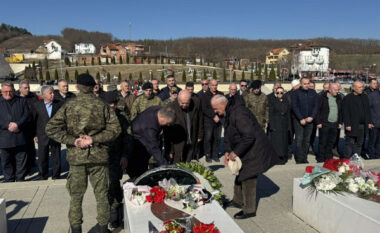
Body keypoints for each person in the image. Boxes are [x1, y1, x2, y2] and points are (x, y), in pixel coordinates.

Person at [46, 74, 121, 233]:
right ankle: (102, 228)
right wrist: (93, 139)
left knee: (76, 197)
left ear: (78, 87)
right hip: (99, 157)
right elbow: (115, 129)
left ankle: (76, 229)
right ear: (93, 86)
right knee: (101, 195)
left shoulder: (69, 105)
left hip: (77, 157)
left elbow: (51, 128)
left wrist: (73, 140)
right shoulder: (103, 105)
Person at [211, 95, 278, 219]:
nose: (215, 111)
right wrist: (227, 151)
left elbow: (249, 137)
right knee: (239, 174)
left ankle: (249, 209)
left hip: (254, 149)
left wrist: (235, 152)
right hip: (244, 147)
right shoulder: (228, 112)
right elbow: (228, 134)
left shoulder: (239, 113)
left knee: (248, 177)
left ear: (222, 104)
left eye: (215, 108)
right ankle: (237, 200)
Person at [103, 91, 129, 229]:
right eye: (109, 103)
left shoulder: (122, 117)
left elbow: (127, 138)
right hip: (101, 159)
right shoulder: (98, 116)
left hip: (116, 158)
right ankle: (111, 216)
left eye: (114, 103)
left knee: (113, 185)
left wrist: (125, 155)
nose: (112, 106)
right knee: (105, 189)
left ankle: (116, 214)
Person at [128, 106, 176, 178]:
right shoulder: (150, 128)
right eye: (167, 123)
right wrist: (165, 166)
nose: (168, 125)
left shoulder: (158, 109)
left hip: (142, 136)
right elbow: (154, 148)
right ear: (162, 117)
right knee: (139, 172)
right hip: (137, 144)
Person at [0, 82, 29, 182]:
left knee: (21, 160)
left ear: (14, 91)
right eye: (5, 91)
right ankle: (9, 180)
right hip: (4, 138)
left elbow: (27, 115)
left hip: (19, 135)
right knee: (6, 161)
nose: (8, 93)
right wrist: (7, 125)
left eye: (10, 91)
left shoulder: (22, 101)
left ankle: (20, 179)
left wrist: (17, 124)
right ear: (1, 91)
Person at [32, 86, 63, 180]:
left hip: (55, 134)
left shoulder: (59, 104)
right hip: (42, 135)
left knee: (56, 156)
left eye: (53, 93)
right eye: (50, 93)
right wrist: (34, 135)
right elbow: (33, 121)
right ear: (44, 94)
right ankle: (43, 175)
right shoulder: (37, 105)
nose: (53, 95)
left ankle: (56, 175)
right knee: (42, 157)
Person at [164, 90, 203, 162]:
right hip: (177, 141)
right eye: (182, 103)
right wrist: (169, 150)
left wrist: (200, 135)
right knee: (177, 163)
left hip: (191, 138)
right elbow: (167, 131)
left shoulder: (196, 103)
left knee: (188, 162)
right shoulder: (171, 107)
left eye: (187, 103)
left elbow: (200, 119)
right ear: (178, 99)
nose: (184, 105)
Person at [291, 77, 319, 163]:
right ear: (301, 84)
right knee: (299, 140)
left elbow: (316, 106)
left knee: (307, 140)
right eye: (305, 84)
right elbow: (294, 107)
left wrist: (312, 117)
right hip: (299, 121)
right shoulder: (296, 93)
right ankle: (299, 159)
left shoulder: (313, 92)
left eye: (308, 83)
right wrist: (301, 118)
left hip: (310, 120)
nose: (307, 85)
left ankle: (304, 157)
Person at [342, 81, 373, 158]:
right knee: (350, 143)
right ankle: (347, 158)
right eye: (359, 87)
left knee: (359, 143)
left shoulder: (364, 97)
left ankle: (356, 158)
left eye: (362, 87)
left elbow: (367, 111)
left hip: (362, 125)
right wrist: (347, 124)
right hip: (352, 125)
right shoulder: (348, 98)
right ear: (354, 88)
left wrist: (369, 122)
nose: (361, 89)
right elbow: (345, 113)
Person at [315, 83, 343, 162]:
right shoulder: (322, 97)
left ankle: (329, 158)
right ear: (329, 89)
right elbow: (317, 110)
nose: (337, 91)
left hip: (335, 124)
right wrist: (318, 122)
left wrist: (340, 122)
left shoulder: (339, 97)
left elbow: (340, 111)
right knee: (323, 142)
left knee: (331, 142)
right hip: (324, 123)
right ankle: (321, 158)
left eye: (337, 90)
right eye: (335, 90)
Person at [16, 80, 39, 173]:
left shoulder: (33, 97)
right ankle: (22, 167)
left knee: (30, 148)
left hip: (31, 126)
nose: (27, 90)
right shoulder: (15, 97)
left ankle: (30, 165)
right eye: (25, 88)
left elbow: (37, 112)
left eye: (28, 87)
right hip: (19, 127)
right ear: (20, 88)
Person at [201, 79, 224, 162]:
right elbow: (204, 109)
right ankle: (208, 155)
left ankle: (215, 155)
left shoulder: (221, 94)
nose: (214, 87)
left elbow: (223, 105)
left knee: (217, 138)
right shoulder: (205, 95)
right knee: (208, 138)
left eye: (216, 85)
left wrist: (218, 113)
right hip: (209, 121)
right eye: (213, 85)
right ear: (209, 85)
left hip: (219, 120)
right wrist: (213, 115)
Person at [268, 87, 291, 164]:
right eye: (278, 92)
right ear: (275, 93)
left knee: (284, 142)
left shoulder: (286, 101)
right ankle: (277, 158)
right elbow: (270, 114)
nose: (279, 94)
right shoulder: (273, 101)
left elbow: (288, 114)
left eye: (281, 92)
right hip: (276, 124)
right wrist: (272, 125)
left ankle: (284, 157)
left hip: (284, 124)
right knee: (276, 142)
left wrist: (289, 126)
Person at [368, 84, 380, 159]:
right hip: (374, 123)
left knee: (379, 142)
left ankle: (378, 155)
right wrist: (369, 122)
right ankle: (372, 156)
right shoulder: (372, 96)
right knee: (372, 141)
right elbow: (367, 110)